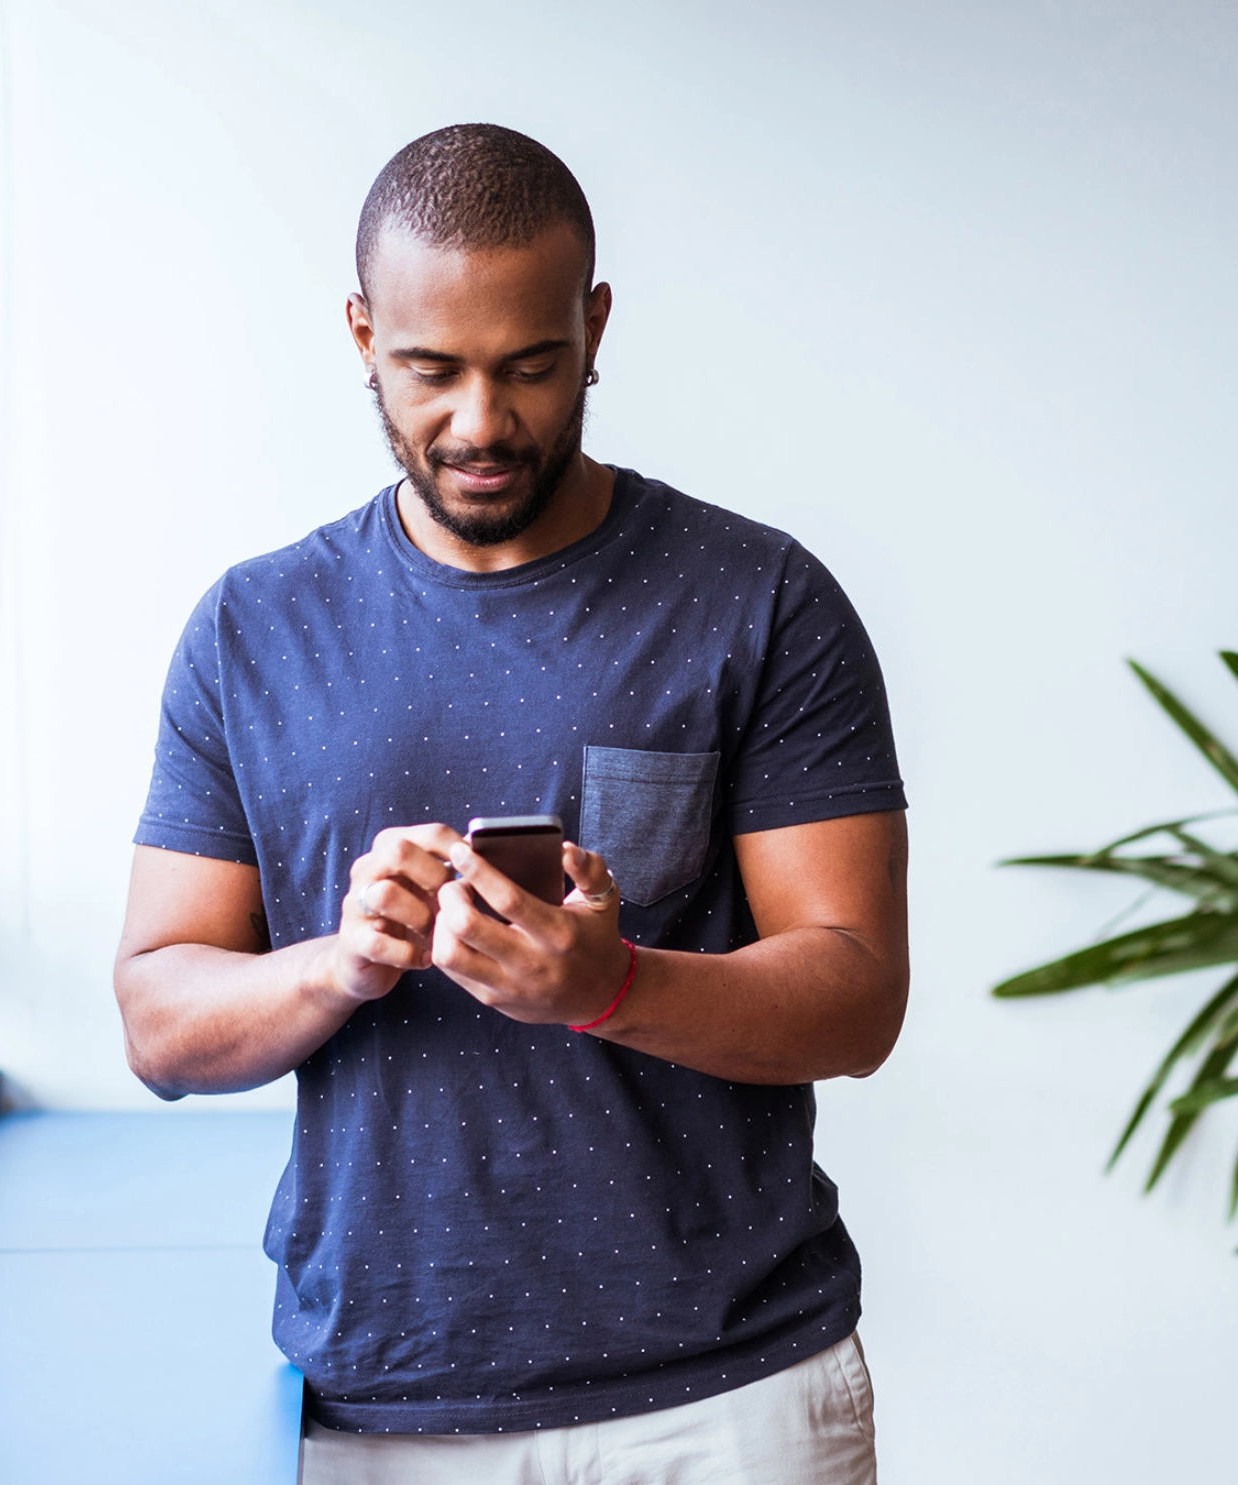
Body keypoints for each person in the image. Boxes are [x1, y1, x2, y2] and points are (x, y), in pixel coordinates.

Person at [115, 123, 908, 1483]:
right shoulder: (253, 632)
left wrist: (611, 987)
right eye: (430, 369)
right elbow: (159, 1021)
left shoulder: (761, 602)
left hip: (730, 1407)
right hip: (384, 1415)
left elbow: (857, 998)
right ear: (361, 334)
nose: (480, 423)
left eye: (530, 366)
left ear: (594, 327)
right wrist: (340, 966)